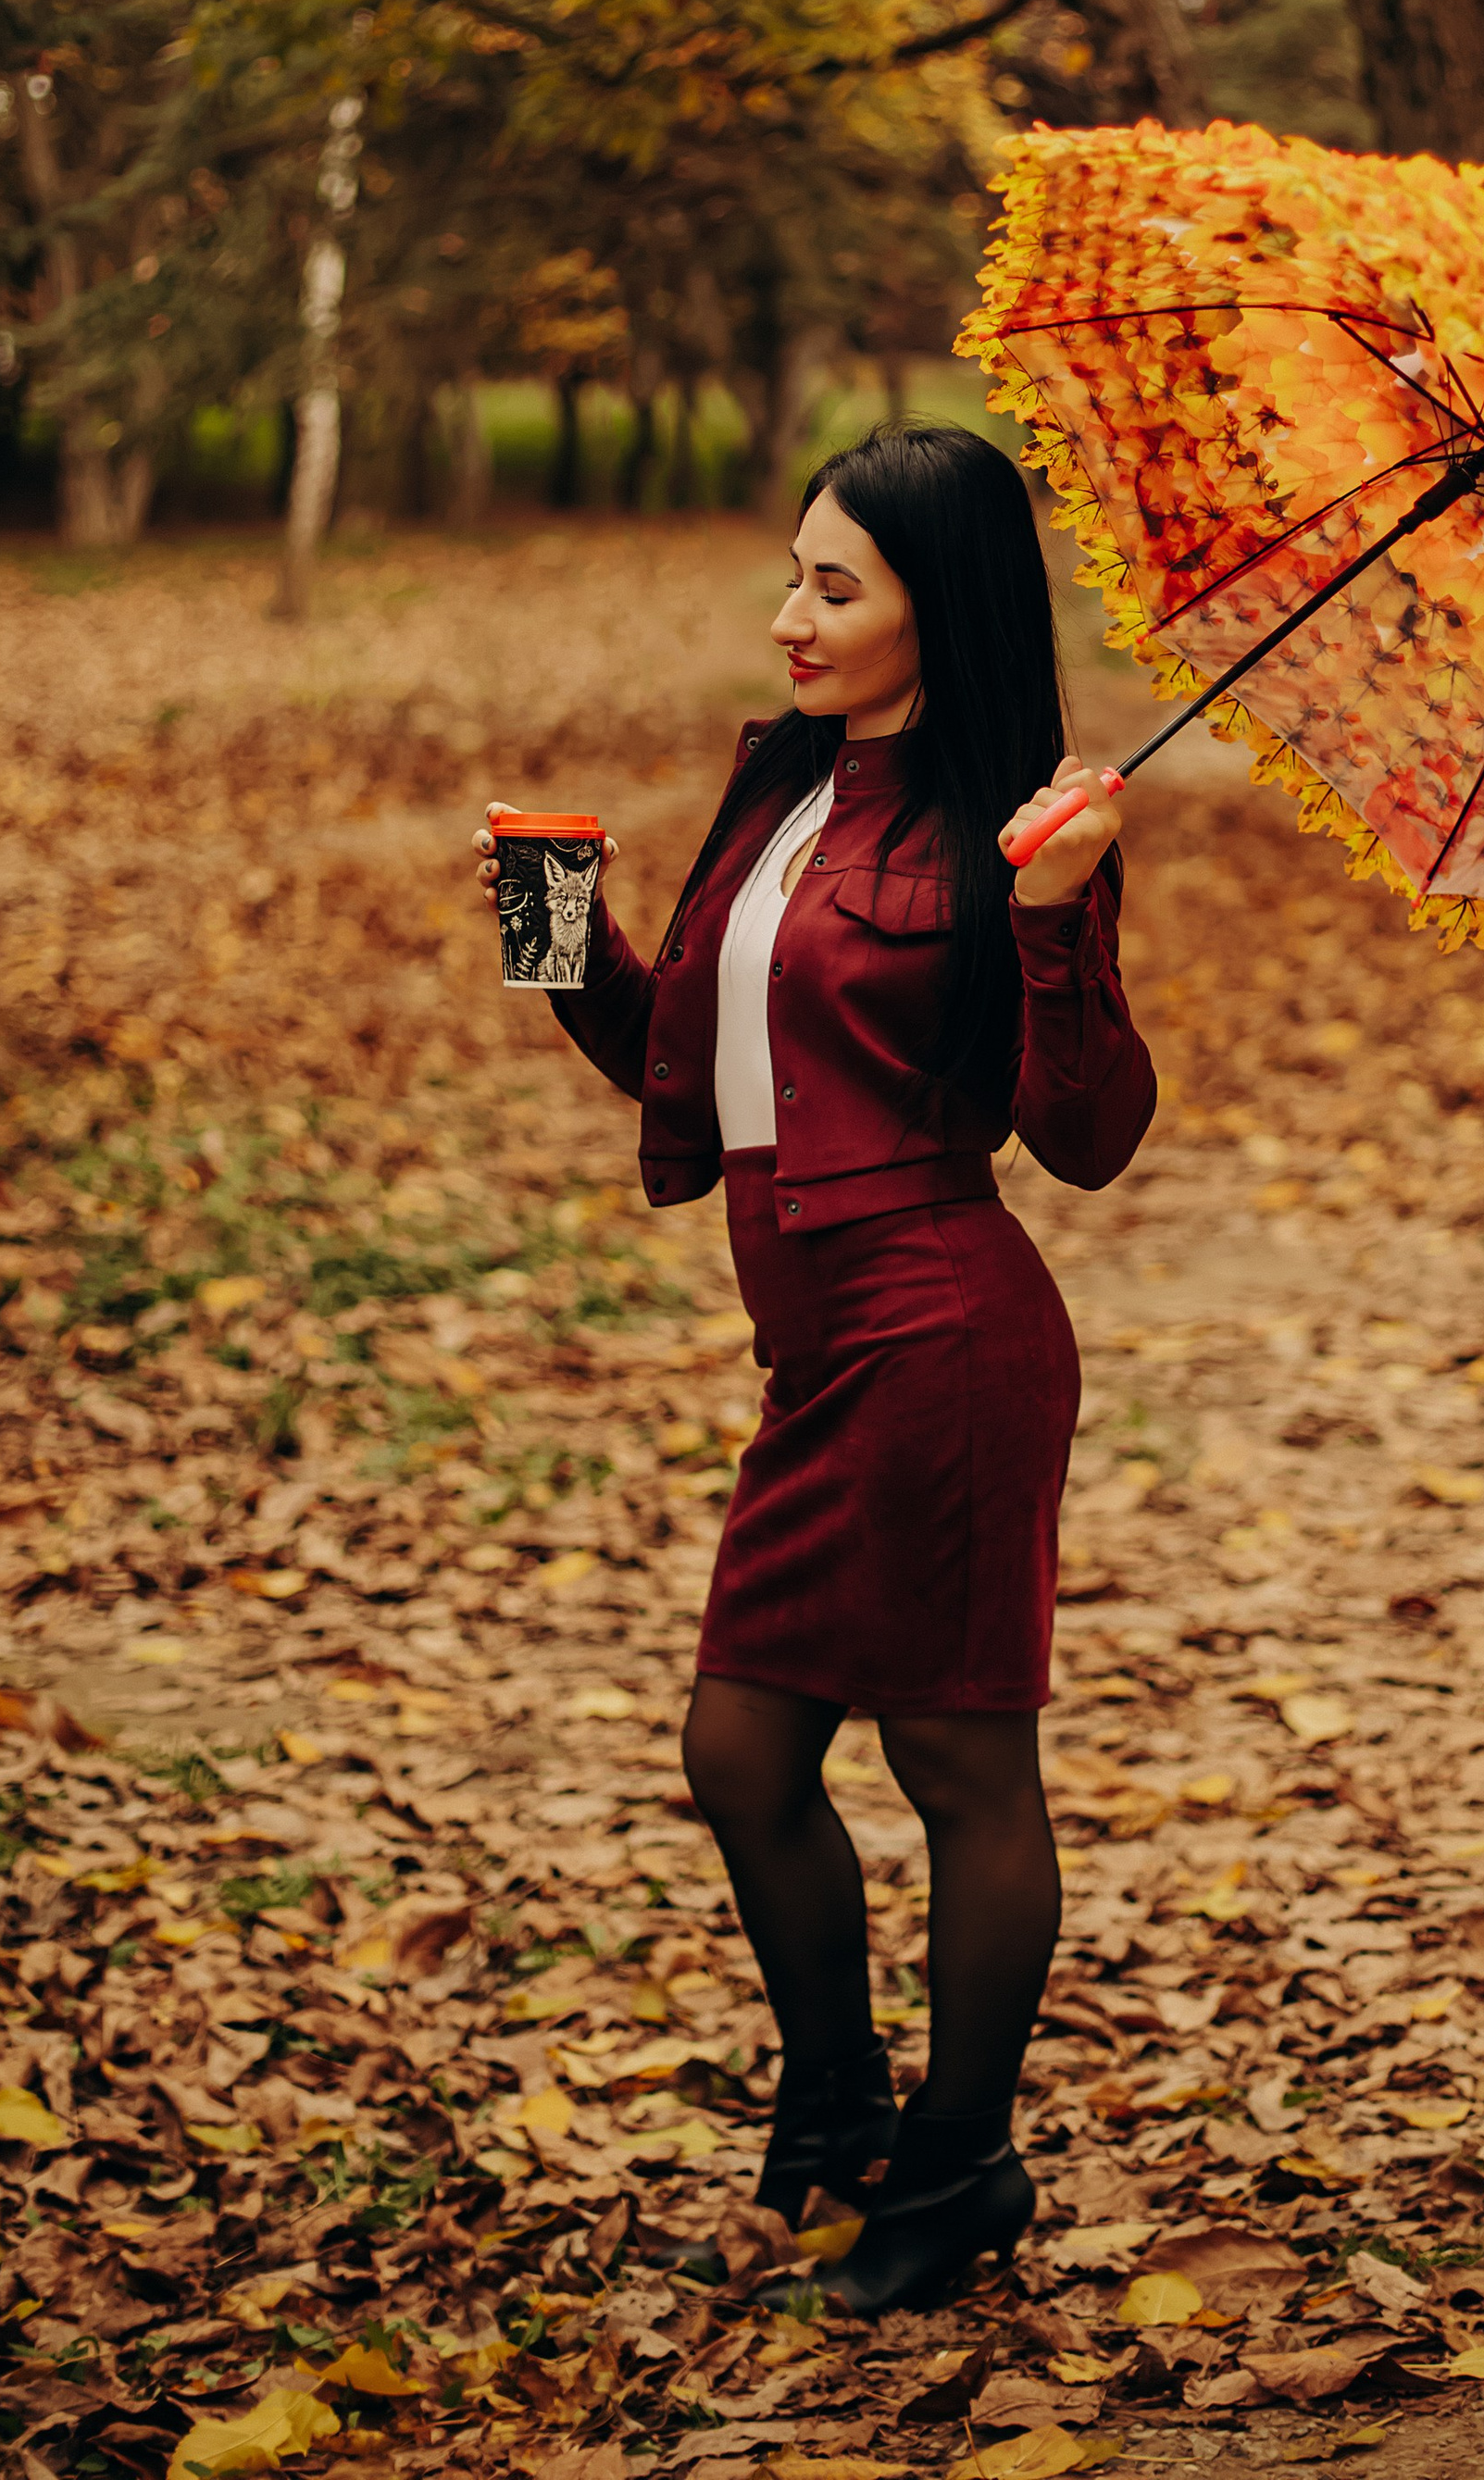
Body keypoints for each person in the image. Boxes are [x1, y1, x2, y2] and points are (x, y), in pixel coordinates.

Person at [473, 424, 1155, 2314]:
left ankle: (961, 2160)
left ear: (943, 609)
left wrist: (1054, 917)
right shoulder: (779, 780)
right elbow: (695, 1063)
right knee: (741, 1748)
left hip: (943, 1332)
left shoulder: (1014, 828)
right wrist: (554, 927)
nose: (789, 616)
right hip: (815, 1347)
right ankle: (839, 2113)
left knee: (956, 1758)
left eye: (834, 587)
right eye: (791, 573)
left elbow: (1088, 1133)